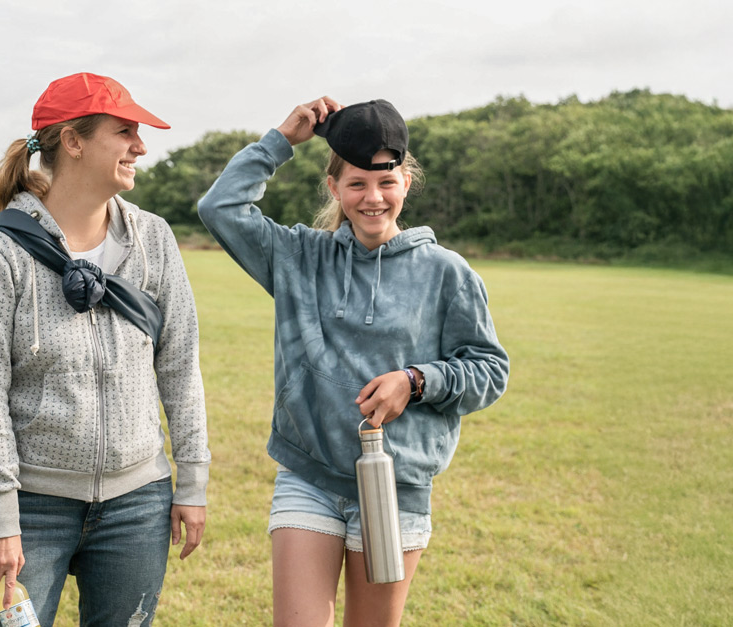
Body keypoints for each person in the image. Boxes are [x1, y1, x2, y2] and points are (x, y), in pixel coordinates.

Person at [197, 97, 509, 626]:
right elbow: (219, 208)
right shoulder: (298, 256)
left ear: (406, 184)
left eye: (385, 183)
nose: (372, 198)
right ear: (334, 188)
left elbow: (489, 369)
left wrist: (416, 381)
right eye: (357, 184)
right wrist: (281, 140)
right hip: (309, 477)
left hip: (395, 486)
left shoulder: (446, 273)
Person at [0, 72, 210, 626]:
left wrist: (190, 481)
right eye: (124, 131)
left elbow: (181, 365)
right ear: (73, 141)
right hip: (30, 506)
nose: (140, 146)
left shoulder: (154, 239)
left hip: (139, 501)